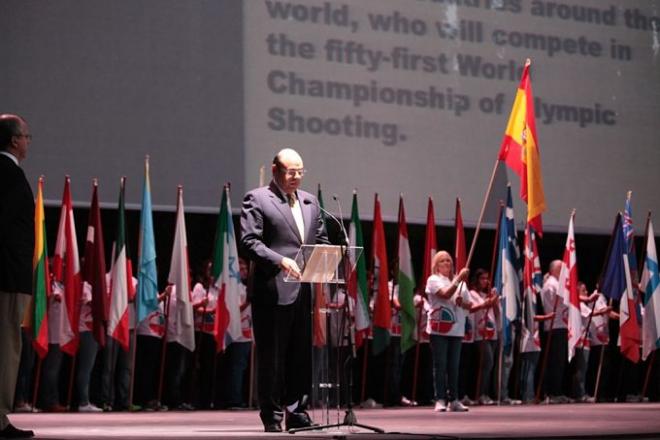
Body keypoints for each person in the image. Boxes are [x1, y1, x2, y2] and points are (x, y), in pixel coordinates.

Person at [240, 148, 328, 432]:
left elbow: (321, 238)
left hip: (303, 290)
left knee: (300, 356)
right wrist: (280, 261)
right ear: (276, 169)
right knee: (272, 357)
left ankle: (298, 412)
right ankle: (273, 416)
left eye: (301, 171)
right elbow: (250, 242)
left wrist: (328, 257)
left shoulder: (311, 202)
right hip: (272, 290)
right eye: (291, 171)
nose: (296, 177)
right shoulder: (258, 198)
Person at [0, 113, 35, 438]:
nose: (28, 141)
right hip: (8, 277)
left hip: (8, 274)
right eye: (26, 136)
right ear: (13, 140)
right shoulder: (9, 174)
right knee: (7, 348)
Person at [425, 251, 471, 412]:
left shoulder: (460, 282)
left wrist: (462, 302)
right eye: (443, 261)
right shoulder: (433, 279)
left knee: (454, 366)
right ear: (436, 265)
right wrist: (459, 280)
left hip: (457, 329)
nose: (447, 263)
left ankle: (454, 399)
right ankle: (440, 399)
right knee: (440, 364)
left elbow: (469, 305)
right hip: (440, 329)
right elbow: (444, 295)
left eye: (449, 260)